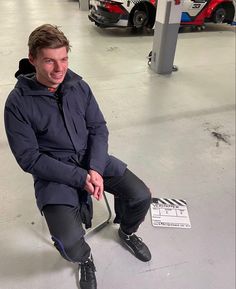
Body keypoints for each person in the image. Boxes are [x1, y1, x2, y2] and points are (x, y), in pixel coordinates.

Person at [4, 24, 151, 289]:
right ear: (33, 59)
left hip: (92, 158)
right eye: (49, 60)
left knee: (141, 195)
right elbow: (30, 159)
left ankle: (127, 231)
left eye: (64, 59)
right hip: (55, 173)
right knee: (68, 240)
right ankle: (84, 258)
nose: (59, 69)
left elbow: (98, 128)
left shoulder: (78, 86)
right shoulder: (17, 103)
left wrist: (94, 169)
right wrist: (80, 176)